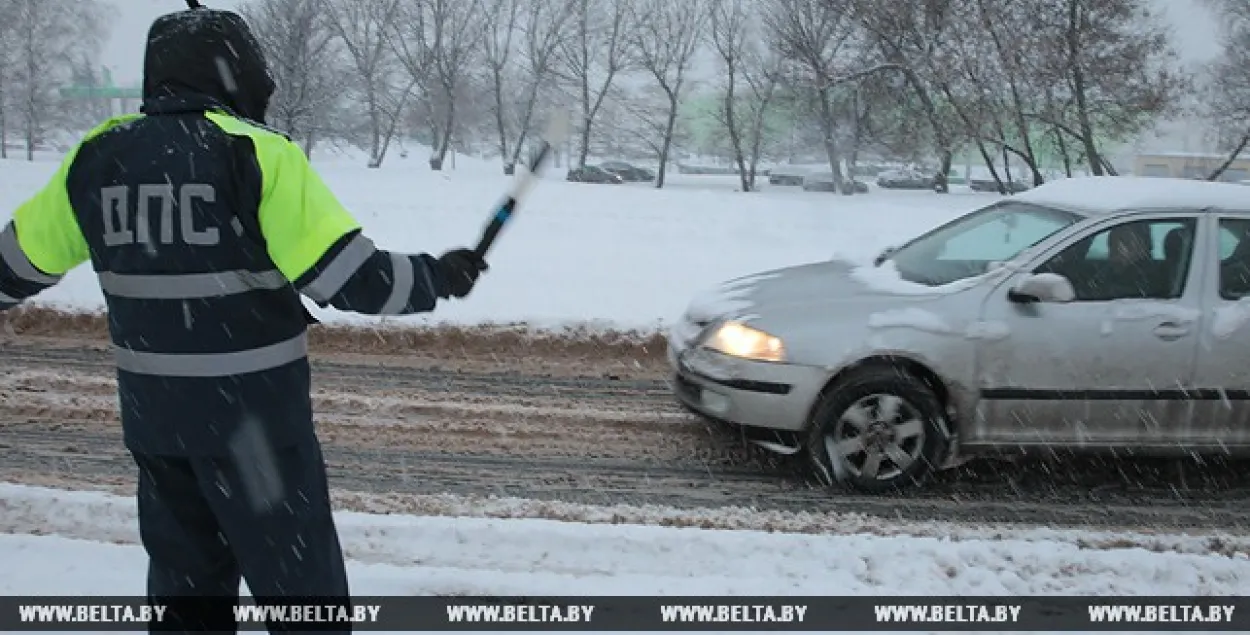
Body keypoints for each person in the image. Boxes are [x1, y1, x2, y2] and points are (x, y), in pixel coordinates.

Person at [0, 6, 489, 631]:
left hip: (158, 430)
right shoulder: (257, 155)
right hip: (253, 432)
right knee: (300, 595)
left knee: (186, 597)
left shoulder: (96, 161)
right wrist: (436, 278)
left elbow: (15, 265)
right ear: (237, 73)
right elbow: (347, 278)